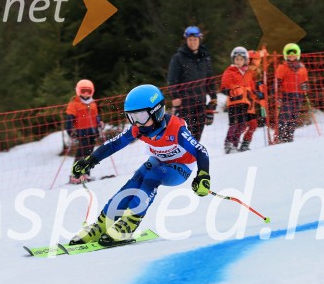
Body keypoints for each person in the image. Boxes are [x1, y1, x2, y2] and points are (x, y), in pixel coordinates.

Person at [69, 84, 211, 247]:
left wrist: (203, 175)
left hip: (181, 168)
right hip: (159, 161)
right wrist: (90, 160)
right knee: (136, 180)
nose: (137, 123)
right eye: (132, 117)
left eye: (141, 117)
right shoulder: (139, 128)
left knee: (153, 174)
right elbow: (114, 144)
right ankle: (102, 225)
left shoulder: (176, 128)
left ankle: (129, 223)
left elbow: (201, 151)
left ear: (157, 111)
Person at [167, 25, 218, 142]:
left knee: (197, 135)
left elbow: (210, 80)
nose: (193, 42)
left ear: (199, 39)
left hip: (201, 103)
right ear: (186, 40)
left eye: (195, 39)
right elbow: (172, 80)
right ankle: (182, 158)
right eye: (190, 39)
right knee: (185, 135)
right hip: (185, 104)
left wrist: (213, 98)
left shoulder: (205, 58)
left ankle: (192, 159)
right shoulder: (178, 58)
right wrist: (175, 96)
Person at [219, 46, 256, 153]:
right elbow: (224, 86)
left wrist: (254, 94)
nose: (239, 62)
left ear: (245, 60)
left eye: (241, 59)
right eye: (236, 59)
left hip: (245, 103)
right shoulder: (230, 71)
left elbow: (251, 86)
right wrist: (229, 91)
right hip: (234, 102)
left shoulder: (248, 73)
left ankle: (235, 144)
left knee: (242, 124)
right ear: (233, 60)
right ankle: (228, 143)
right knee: (234, 123)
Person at [65, 79, 102, 184]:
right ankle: (75, 174)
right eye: (83, 91)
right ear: (78, 91)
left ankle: (86, 173)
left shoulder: (93, 103)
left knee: (90, 154)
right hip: (81, 132)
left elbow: (96, 116)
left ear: (92, 92)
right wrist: (70, 129)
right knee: (81, 153)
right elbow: (70, 118)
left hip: (92, 131)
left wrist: (100, 122)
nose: (86, 94)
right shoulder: (74, 103)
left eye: (88, 91)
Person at [275, 43, 309, 143]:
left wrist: (305, 86)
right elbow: (278, 80)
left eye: (293, 54)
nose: (291, 56)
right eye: (289, 54)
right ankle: (281, 135)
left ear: (297, 54)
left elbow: (305, 80)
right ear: (286, 55)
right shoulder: (283, 67)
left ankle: (289, 136)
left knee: (294, 116)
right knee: (285, 115)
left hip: (298, 95)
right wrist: (276, 91)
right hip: (287, 95)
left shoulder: (302, 68)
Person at [237, 49, 267, 151]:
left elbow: (255, 88)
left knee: (253, 125)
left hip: (251, 106)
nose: (254, 64)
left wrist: (259, 92)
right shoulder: (243, 72)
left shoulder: (256, 74)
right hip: (242, 104)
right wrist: (254, 93)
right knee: (241, 126)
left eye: (257, 61)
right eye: (252, 61)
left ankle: (245, 145)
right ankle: (233, 143)